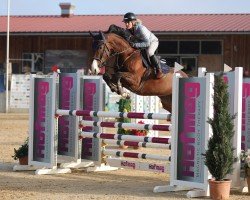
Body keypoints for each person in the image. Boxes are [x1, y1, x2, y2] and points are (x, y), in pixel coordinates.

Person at [123, 12, 163, 79]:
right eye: (125, 22)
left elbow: (147, 43)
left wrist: (134, 44)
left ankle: (159, 70)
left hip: (152, 42)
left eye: (128, 22)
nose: (126, 24)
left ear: (133, 22)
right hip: (141, 43)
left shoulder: (141, 28)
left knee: (150, 52)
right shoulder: (127, 31)